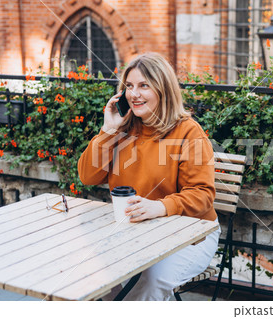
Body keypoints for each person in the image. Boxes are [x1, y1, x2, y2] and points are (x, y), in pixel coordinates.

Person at [77, 52, 220, 300]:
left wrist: (160, 207)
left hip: (190, 235)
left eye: (144, 86)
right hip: (134, 232)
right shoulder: (121, 128)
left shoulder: (188, 132)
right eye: (129, 86)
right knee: (91, 270)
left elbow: (202, 195)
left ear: (163, 89)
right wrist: (108, 130)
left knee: (151, 279)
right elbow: (88, 176)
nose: (134, 94)